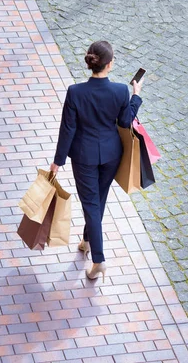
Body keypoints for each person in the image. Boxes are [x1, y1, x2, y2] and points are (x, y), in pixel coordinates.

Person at [50, 40, 143, 281]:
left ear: (92, 63)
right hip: (112, 154)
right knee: (98, 200)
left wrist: (58, 161)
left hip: (84, 157)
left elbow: (67, 129)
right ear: (109, 65)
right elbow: (125, 122)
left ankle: (99, 259)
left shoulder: (75, 92)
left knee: (91, 203)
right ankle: (87, 240)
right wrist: (136, 96)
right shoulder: (121, 91)